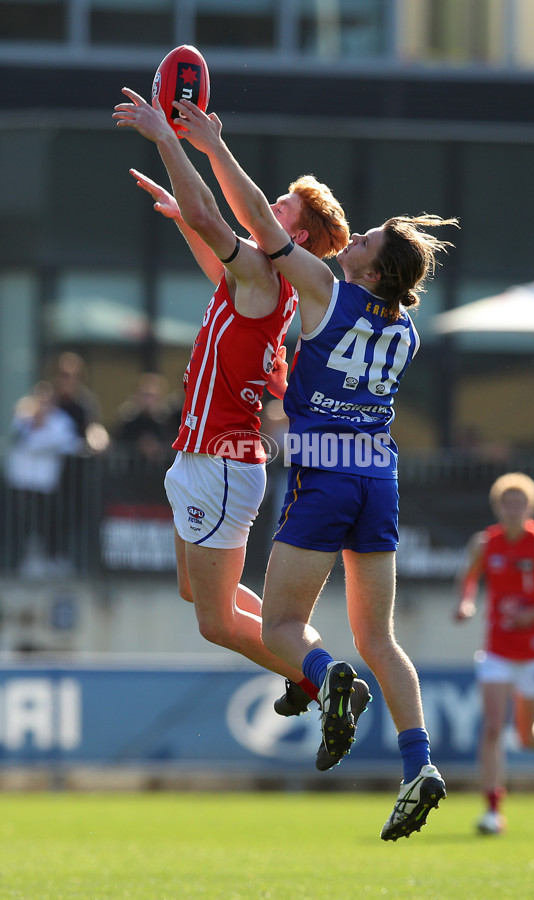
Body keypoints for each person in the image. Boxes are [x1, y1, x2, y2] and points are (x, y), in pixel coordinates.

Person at [175, 98, 458, 840]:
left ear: (371, 266)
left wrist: (212, 144)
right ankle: (419, 762)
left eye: (363, 239)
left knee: (282, 625)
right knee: (382, 638)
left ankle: (326, 679)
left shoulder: (329, 294)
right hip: (381, 480)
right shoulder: (406, 332)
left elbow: (263, 233)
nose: (352, 239)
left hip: (326, 475)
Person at [113, 88, 356, 719]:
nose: (268, 205)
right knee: (196, 590)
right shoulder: (257, 277)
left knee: (215, 623)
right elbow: (211, 239)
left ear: (294, 232)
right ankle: (315, 670)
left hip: (219, 462)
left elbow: (212, 217)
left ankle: (322, 675)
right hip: (212, 459)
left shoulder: (264, 272)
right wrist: (184, 215)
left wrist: (166, 138)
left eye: (281, 205)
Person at [453, 472, 534, 835]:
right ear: (498, 506)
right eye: (506, 503)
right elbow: (467, 578)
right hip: (496, 649)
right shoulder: (484, 543)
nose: (513, 509)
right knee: (493, 727)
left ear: (530, 506)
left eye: (519, 502)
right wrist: (465, 604)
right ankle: (493, 811)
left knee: (526, 736)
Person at [4, 381, 83, 574]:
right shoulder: (23, 418)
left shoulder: (61, 421)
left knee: (47, 524)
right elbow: (20, 439)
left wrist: (40, 440)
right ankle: (17, 563)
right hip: (20, 482)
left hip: (46, 485)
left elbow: (67, 443)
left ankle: (50, 560)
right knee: (18, 525)